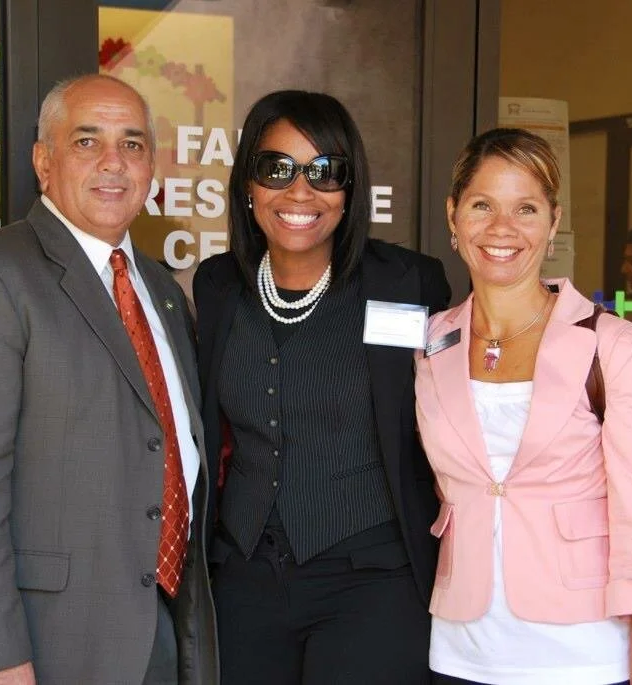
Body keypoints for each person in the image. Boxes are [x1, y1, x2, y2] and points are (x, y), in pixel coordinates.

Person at [0, 74, 217, 685]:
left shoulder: (161, 290)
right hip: (45, 647)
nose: (113, 162)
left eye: (132, 144)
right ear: (43, 162)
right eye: (86, 141)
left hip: (163, 633)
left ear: (150, 167)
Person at [415, 129, 632, 685]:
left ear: (553, 221)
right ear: (454, 217)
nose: (502, 228)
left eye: (525, 207)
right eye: (481, 205)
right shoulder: (432, 342)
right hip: (458, 651)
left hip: (583, 653)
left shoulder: (611, 345)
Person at [193, 90, 451, 684]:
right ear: (247, 186)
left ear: (350, 189)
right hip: (245, 578)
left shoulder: (409, 282)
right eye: (276, 169)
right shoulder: (217, 286)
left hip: (373, 580)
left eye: (325, 172)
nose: (300, 192)